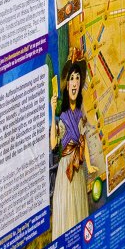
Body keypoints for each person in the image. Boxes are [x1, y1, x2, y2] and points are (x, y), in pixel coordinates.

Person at [50, 59, 99, 239]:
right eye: (72, 78)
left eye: (78, 78)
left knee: (79, 208)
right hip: (66, 171)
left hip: (78, 170)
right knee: (68, 210)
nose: (75, 82)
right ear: (67, 84)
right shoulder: (62, 116)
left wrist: (89, 164)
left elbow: (82, 140)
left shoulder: (79, 113)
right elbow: (53, 144)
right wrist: (52, 110)